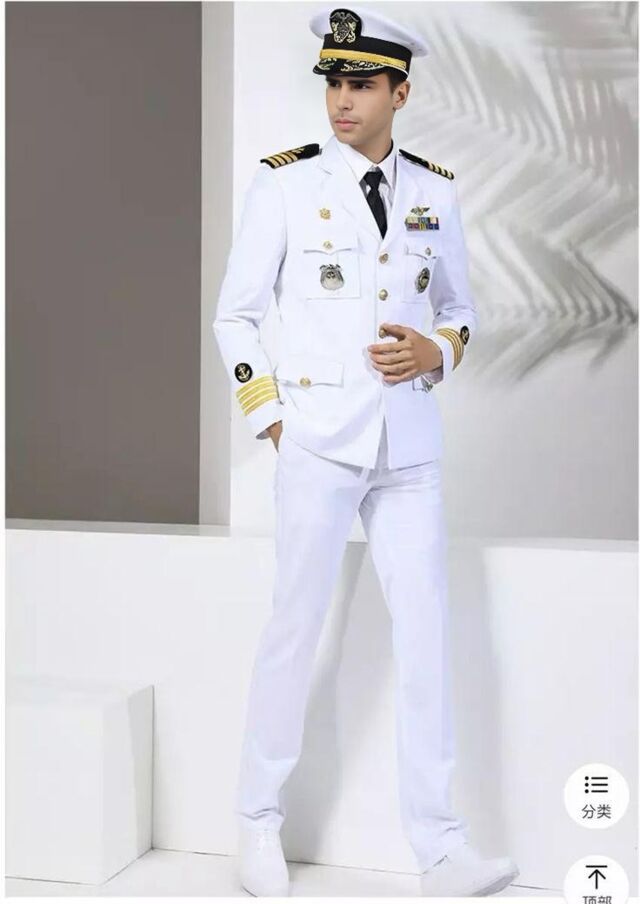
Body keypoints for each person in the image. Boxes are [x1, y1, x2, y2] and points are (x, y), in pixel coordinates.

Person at [213, 4, 519, 896]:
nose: (341, 99)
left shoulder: (436, 190)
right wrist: (273, 420)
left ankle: (441, 847)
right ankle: (257, 825)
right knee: (294, 628)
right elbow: (236, 315)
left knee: (426, 639)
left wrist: (438, 353)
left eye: (360, 83)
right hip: (318, 443)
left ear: (400, 92)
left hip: (409, 449)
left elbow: (460, 309)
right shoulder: (284, 184)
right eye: (333, 82)